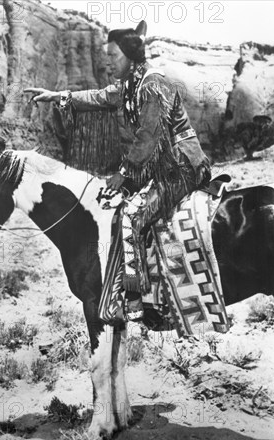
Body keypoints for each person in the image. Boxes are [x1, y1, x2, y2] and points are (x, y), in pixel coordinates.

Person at [25, 20, 211, 304]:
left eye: (113, 56)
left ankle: (137, 299)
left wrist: (123, 173)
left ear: (129, 54)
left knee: (132, 217)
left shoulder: (153, 84)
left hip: (181, 166)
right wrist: (56, 96)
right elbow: (98, 97)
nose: (109, 62)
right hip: (161, 166)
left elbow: (148, 138)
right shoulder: (129, 85)